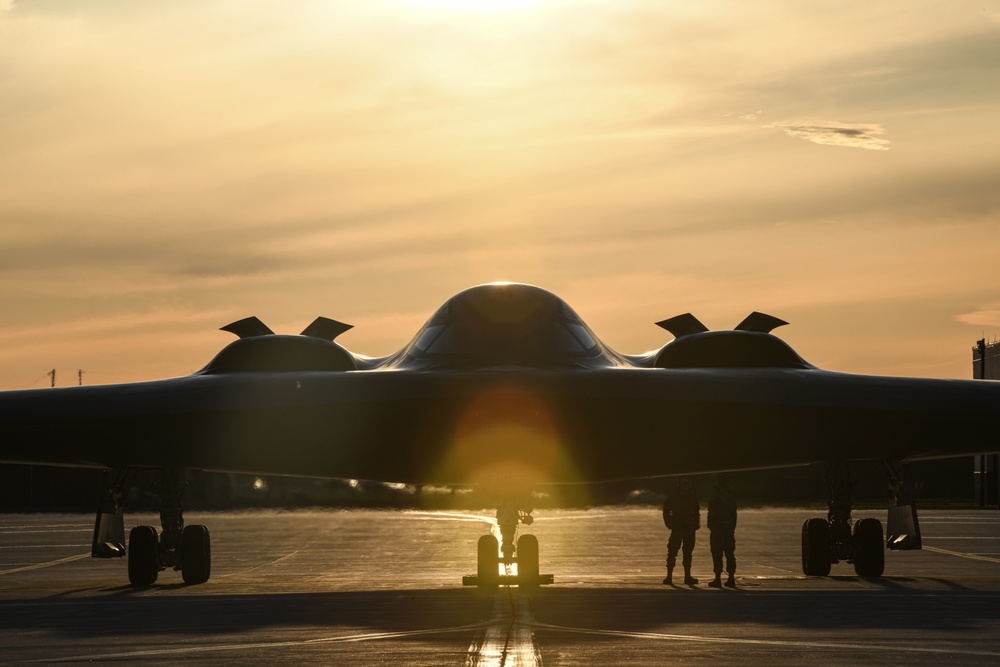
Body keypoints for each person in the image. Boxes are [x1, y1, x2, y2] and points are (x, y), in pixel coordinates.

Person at [662, 476, 700, 585]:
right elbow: (666, 511)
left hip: (689, 529)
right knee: (672, 552)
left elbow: (696, 511)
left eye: (687, 484)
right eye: (683, 483)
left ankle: (687, 577)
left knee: (688, 553)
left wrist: (696, 525)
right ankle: (669, 577)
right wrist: (670, 525)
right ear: (679, 485)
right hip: (677, 528)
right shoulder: (673, 497)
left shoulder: (692, 497)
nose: (685, 486)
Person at [707, 475, 737, 588]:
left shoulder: (715, 496)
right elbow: (734, 515)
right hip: (729, 529)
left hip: (718, 529)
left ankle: (718, 579)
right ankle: (731, 578)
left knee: (717, 553)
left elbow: (712, 513)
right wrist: (732, 527)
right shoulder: (730, 496)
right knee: (730, 553)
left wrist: (711, 526)